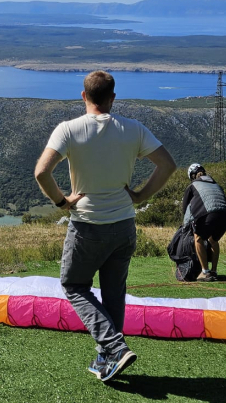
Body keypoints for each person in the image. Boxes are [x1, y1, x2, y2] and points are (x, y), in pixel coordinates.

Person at [34, 70, 176, 382]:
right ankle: (107, 358)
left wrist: (62, 202)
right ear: (112, 98)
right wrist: (139, 196)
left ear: (83, 96)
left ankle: (113, 347)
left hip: (88, 225)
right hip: (124, 224)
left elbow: (41, 172)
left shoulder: (68, 130)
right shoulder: (133, 129)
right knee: (114, 292)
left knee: (74, 286)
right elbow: (167, 165)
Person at [178, 163, 226, 282]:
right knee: (213, 240)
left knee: (198, 238)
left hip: (210, 214)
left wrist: (185, 224)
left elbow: (185, 208)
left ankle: (205, 272)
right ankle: (214, 271)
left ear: (192, 176)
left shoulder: (192, 186)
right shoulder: (216, 184)